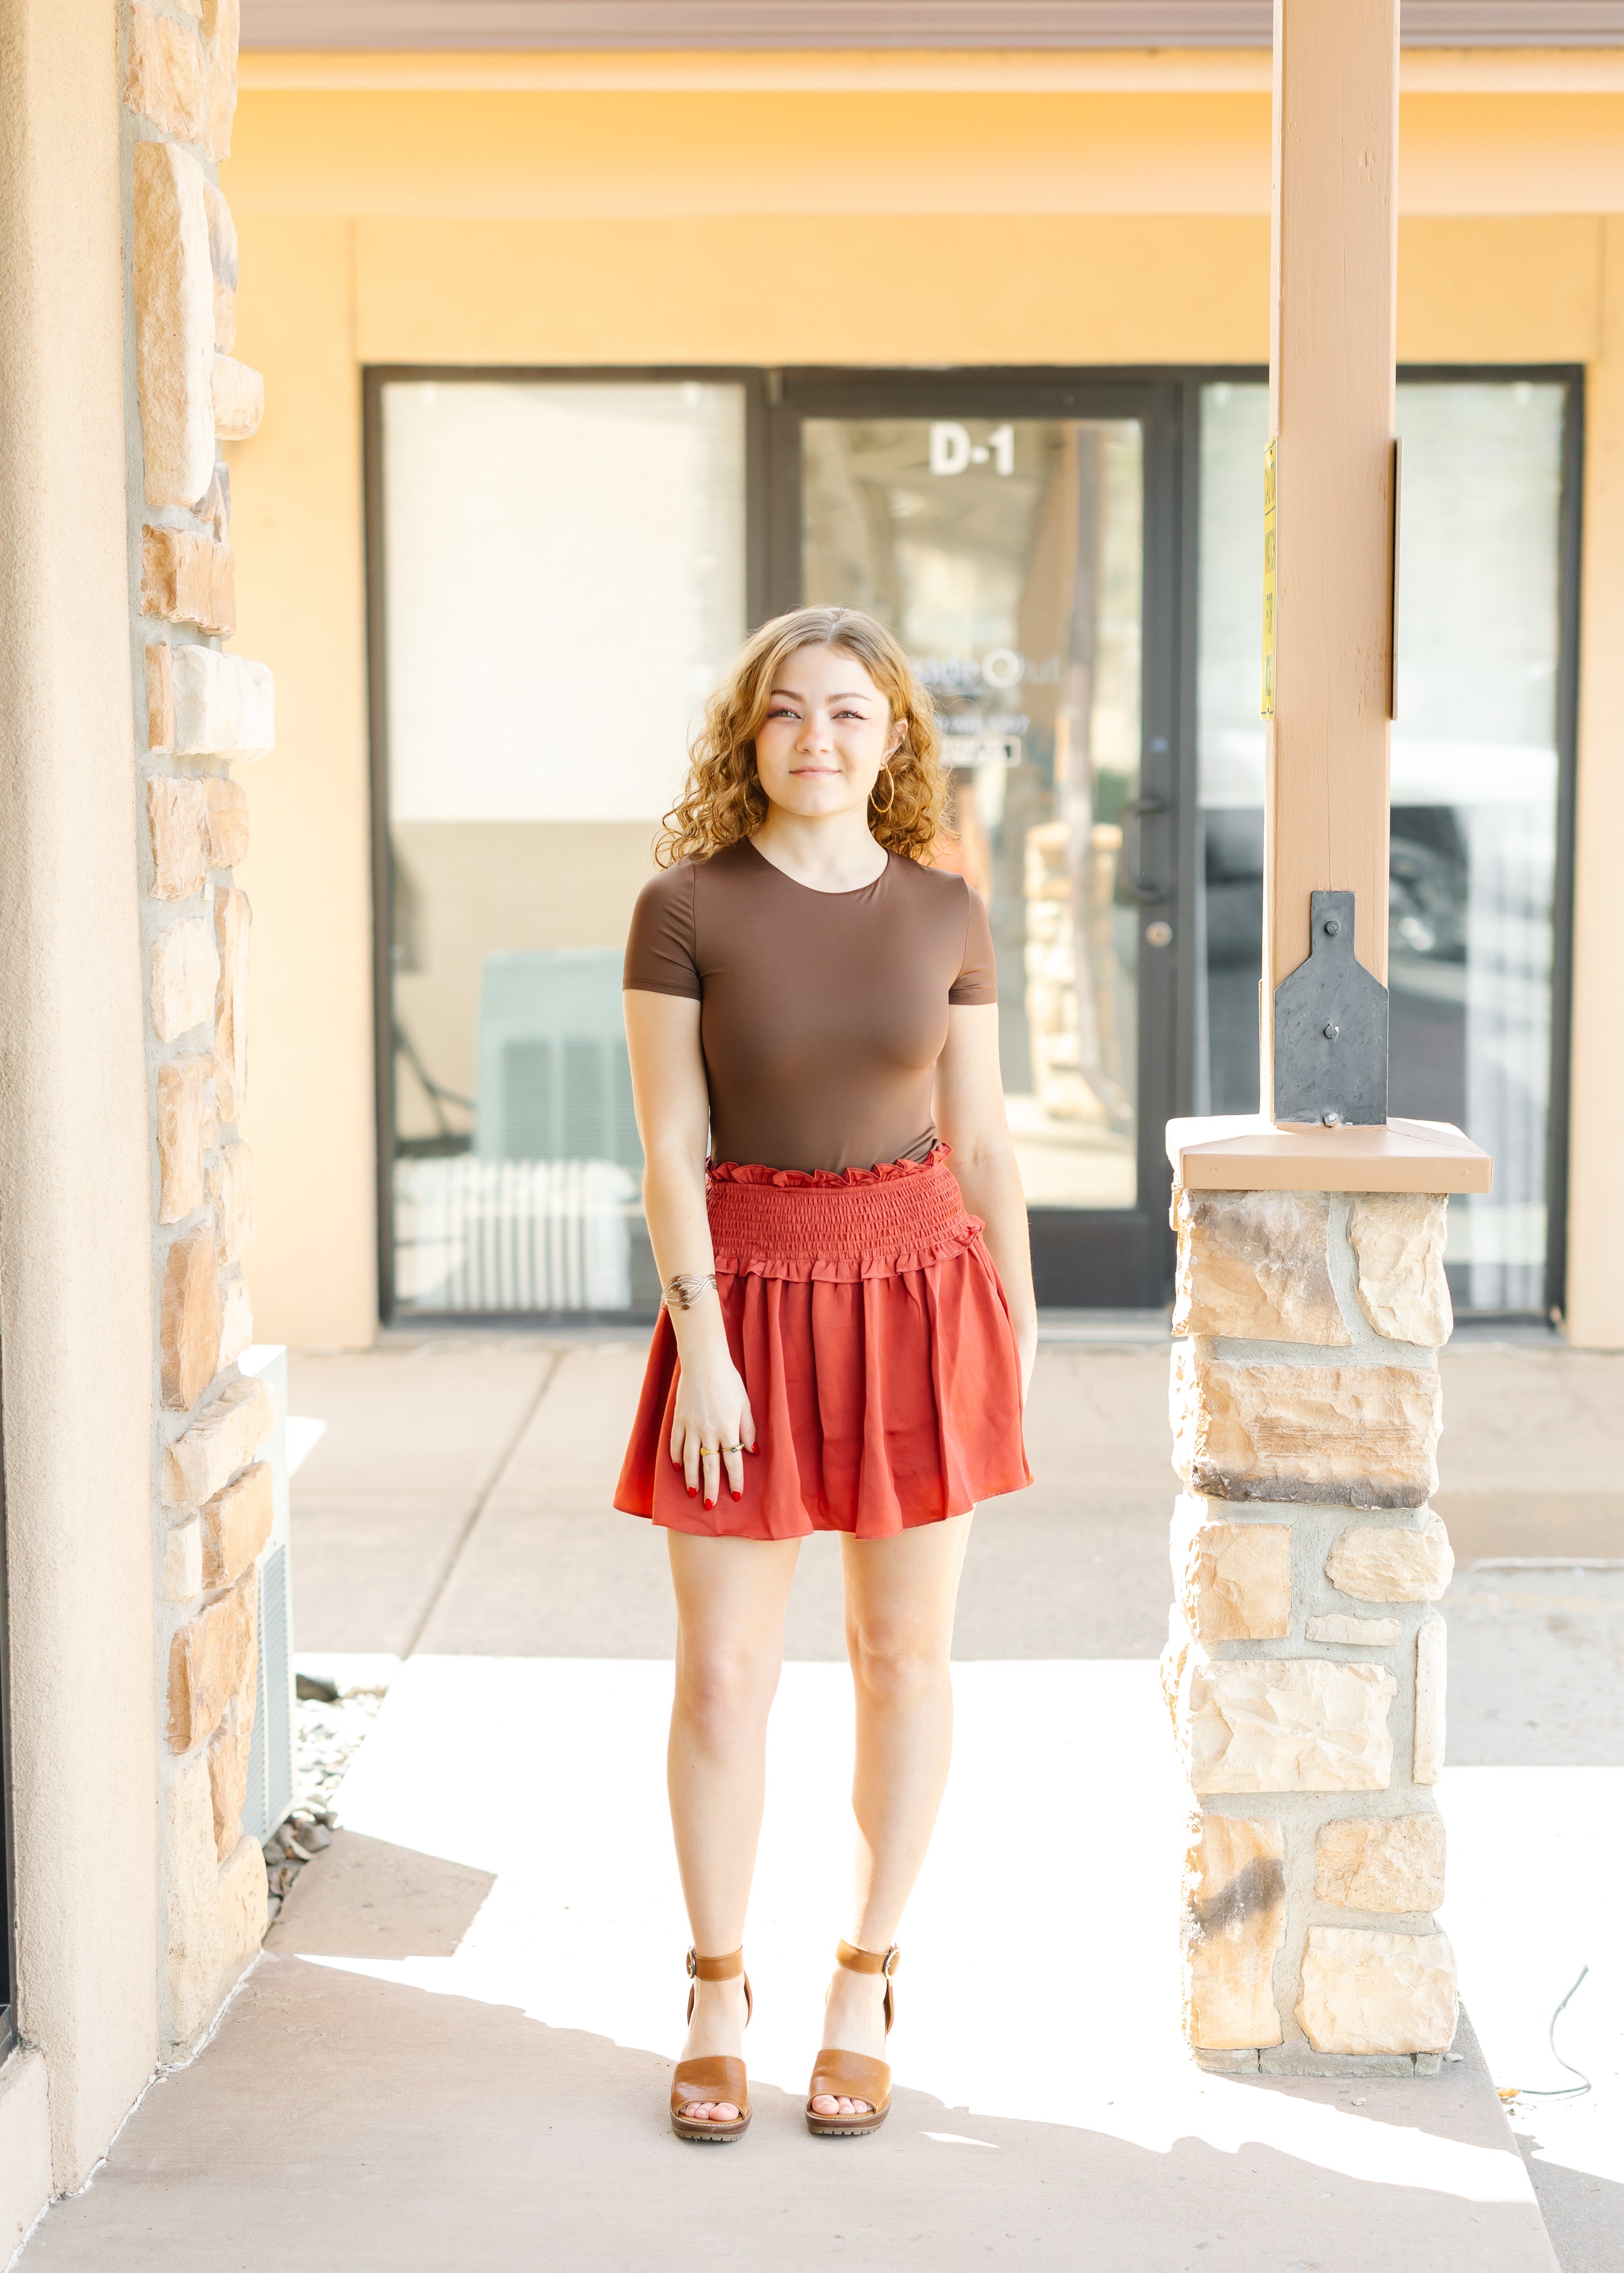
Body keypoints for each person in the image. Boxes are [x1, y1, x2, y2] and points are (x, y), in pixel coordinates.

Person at [615, 605, 1036, 2143]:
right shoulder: (684, 907)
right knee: (724, 1673)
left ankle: (862, 1978)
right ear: (751, 734)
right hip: (744, 1301)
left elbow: (982, 1143)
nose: (818, 738)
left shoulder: (945, 910)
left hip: (924, 1299)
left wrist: (1023, 1323)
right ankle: (718, 1988)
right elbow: (668, 1145)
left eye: (850, 714)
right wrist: (703, 1348)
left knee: (899, 1661)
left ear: (893, 738)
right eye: (788, 712)